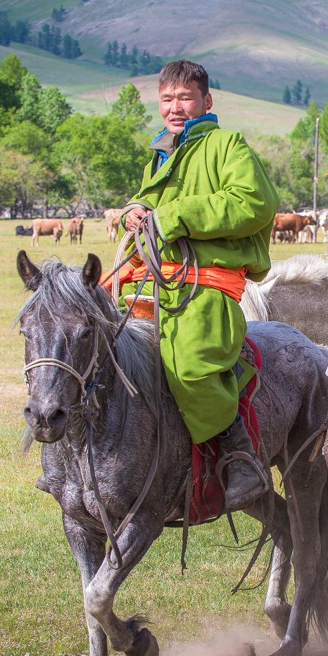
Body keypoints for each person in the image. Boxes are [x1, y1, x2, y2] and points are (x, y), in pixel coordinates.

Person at [119, 60, 279, 511]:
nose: (176, 107)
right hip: (153, 282)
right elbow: (149, 204)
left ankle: (239, 455)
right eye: (167, 99)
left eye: (185, 97)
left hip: (205, 287)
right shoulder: (163, 152)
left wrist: (171, 217)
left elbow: (254, 202)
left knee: (189, 363)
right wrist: (134, 210)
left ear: (206, 102)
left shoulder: (225, 144)